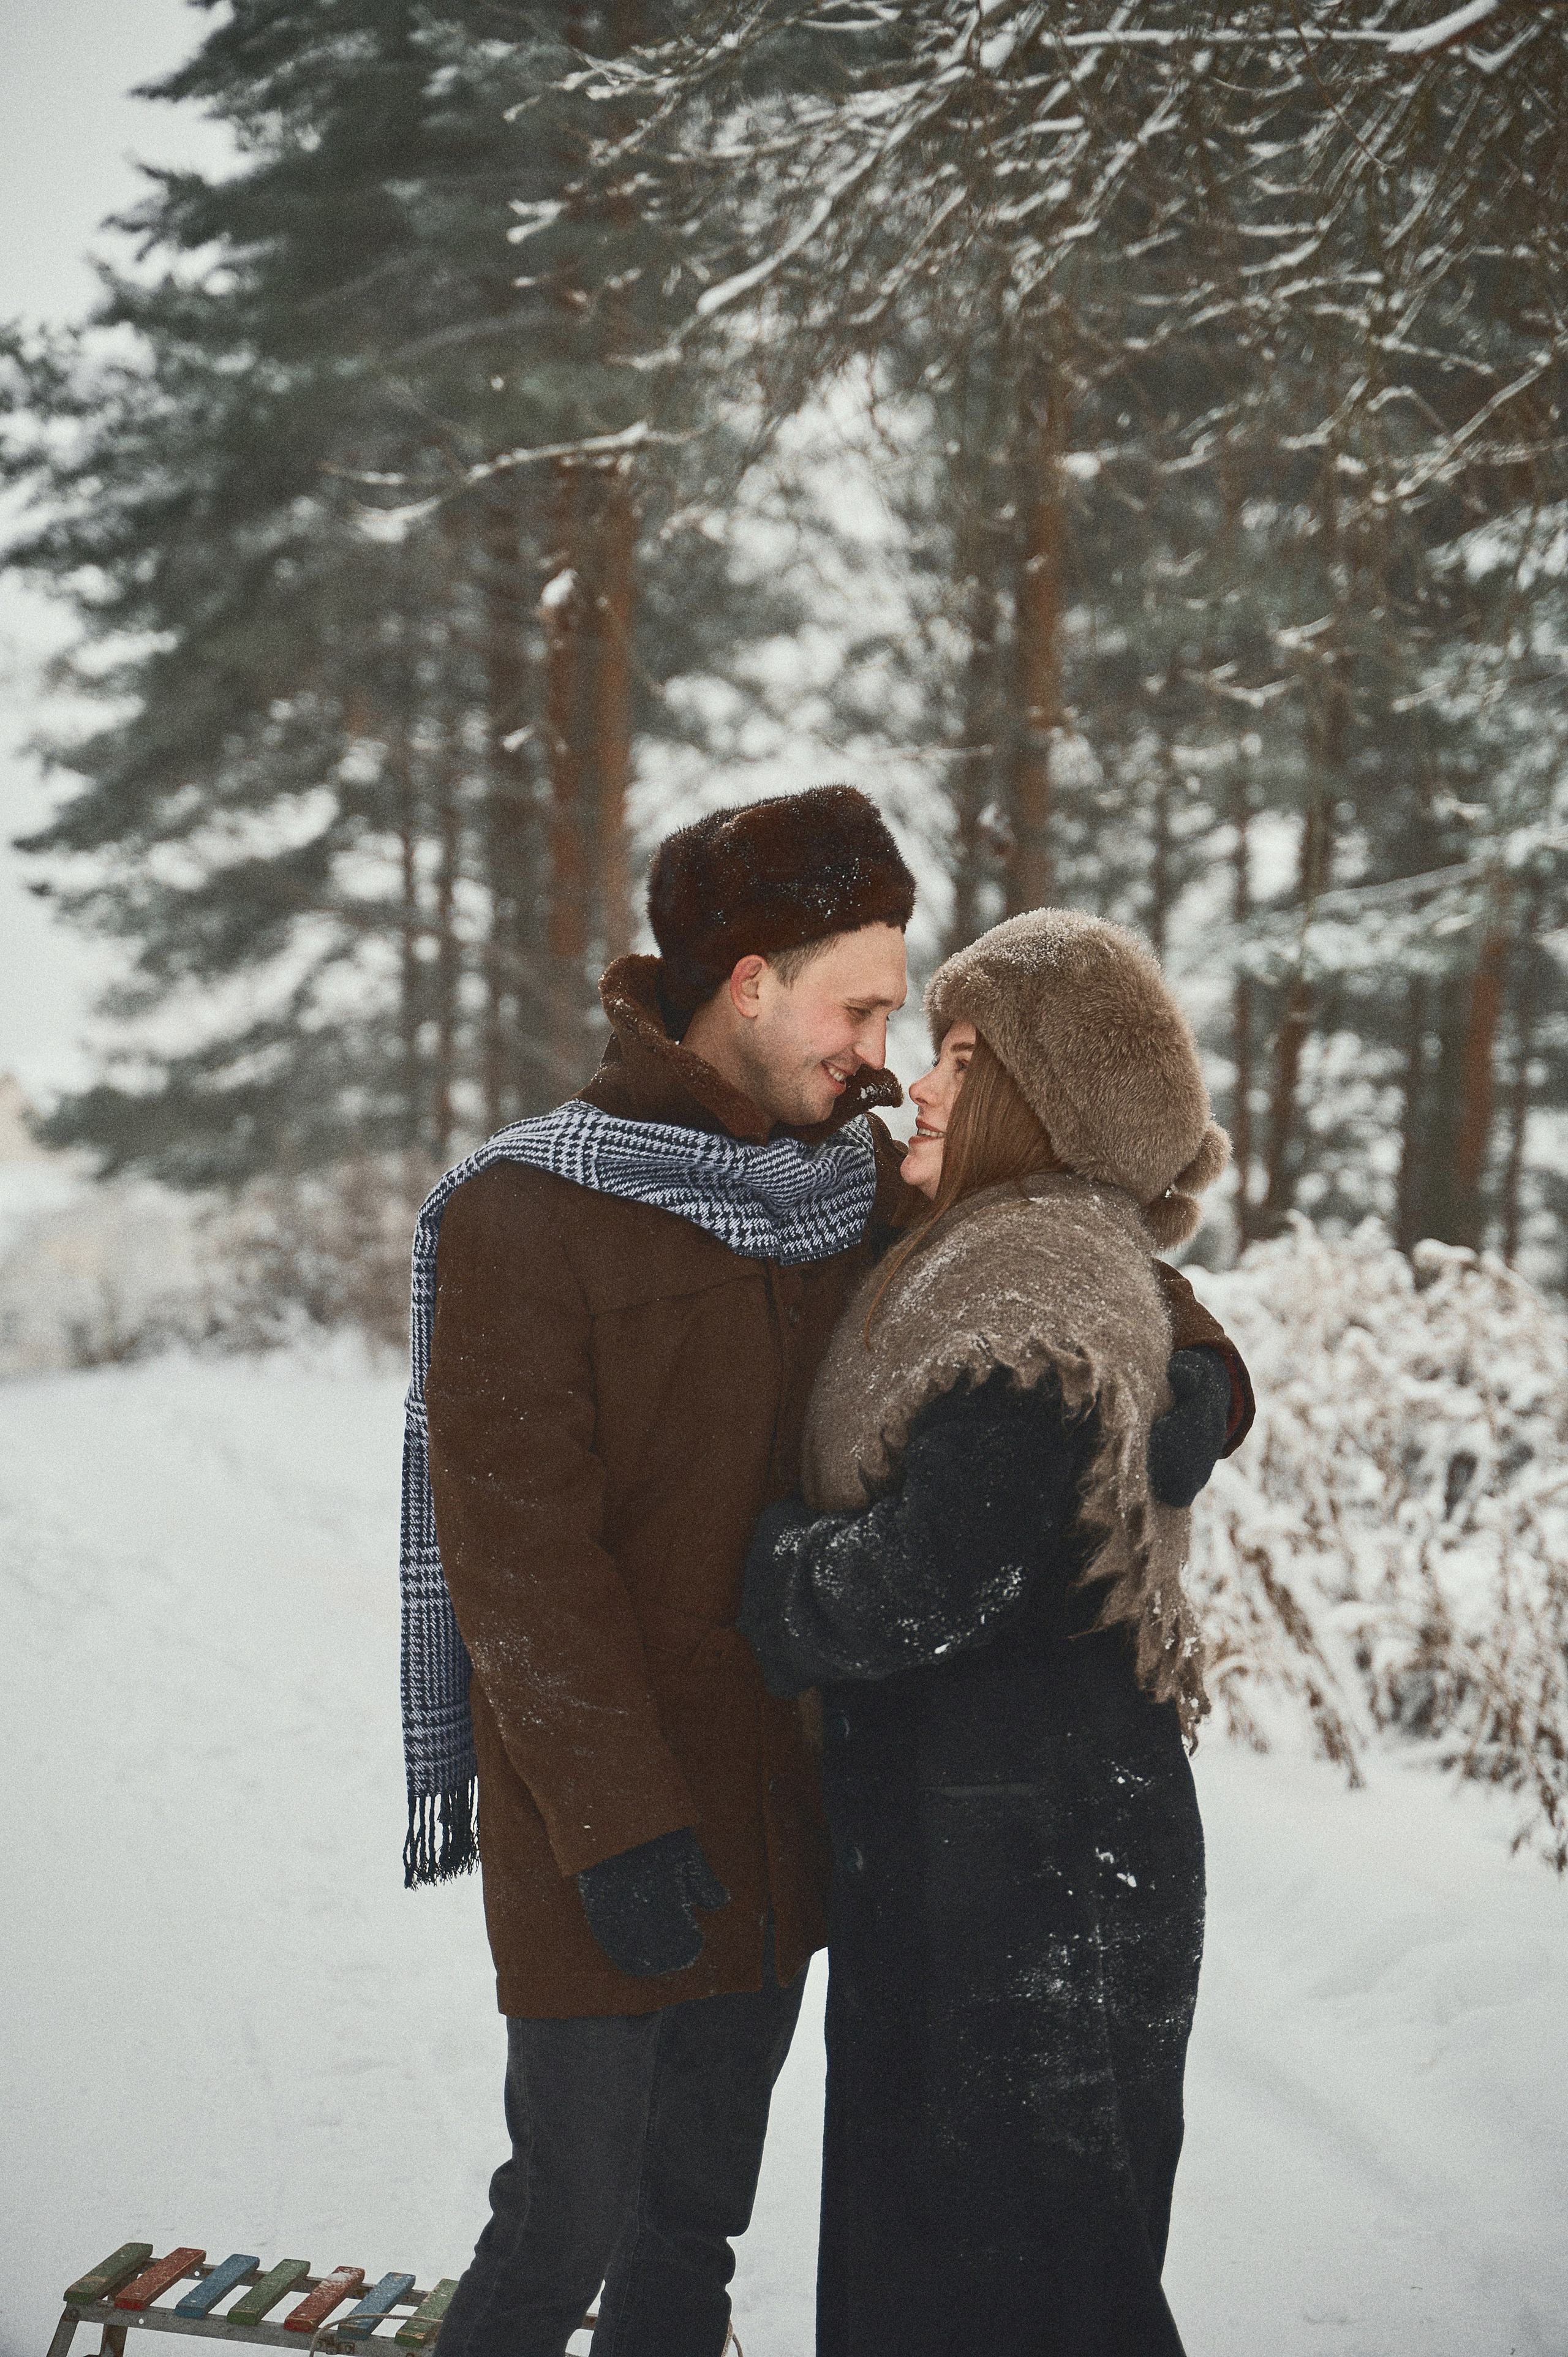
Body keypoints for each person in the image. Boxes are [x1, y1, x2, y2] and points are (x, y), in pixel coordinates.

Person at [402, 788, 1251, 2357]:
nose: (881, 1049)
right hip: (609, 1824)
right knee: (558, 2231)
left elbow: (1078, 1252)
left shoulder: (853, 1179)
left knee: (692, 2234)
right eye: (860, 1004)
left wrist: (1192, 1380)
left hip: (789, 1812)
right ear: (746, 981)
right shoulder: (530, 1213)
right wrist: (616, 1832)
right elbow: (520, 1570)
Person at [741, 907, 1250, 2357]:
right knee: (977, 2277)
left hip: (1029, 1875)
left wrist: (767, 1571)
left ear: (1041, 1098)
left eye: (960, 1055)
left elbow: (930, 1578)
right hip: (983, 1860)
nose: (919, 1081)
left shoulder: (1031, 1283)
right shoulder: (983, 1248)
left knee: (1033, 2292)